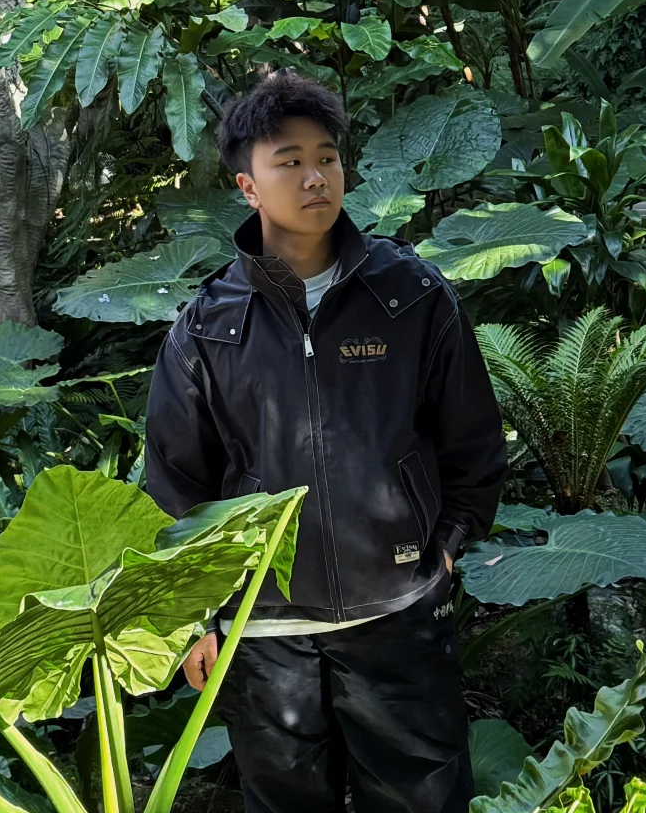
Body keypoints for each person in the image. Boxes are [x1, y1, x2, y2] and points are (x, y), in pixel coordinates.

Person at [145, 69, 507, 813]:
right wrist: (194, 616)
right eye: (289, 161)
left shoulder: (410, 297)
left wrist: (441, 549)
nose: (316, 177)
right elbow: (176, 483)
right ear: (248, 186)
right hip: (264, 628)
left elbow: (471, 440)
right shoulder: (209, 326)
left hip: (397, 612)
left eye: (327, 156)